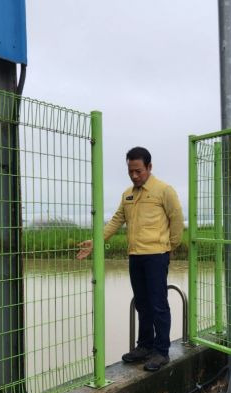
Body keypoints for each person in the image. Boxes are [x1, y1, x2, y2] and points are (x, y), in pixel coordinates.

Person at [77, 146, 184, 371]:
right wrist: (96, 241)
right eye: (131, 171)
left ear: (149, 167)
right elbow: (116, 221)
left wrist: (169, 247)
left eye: (138, 171)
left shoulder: (164, 190)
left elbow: (176, 221)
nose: (135, 175)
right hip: (135, 256)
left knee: (158, 304)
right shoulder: (128, 194)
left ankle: (161, 351)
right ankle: (144, 346)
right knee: (142, 304)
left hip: (156, 256)